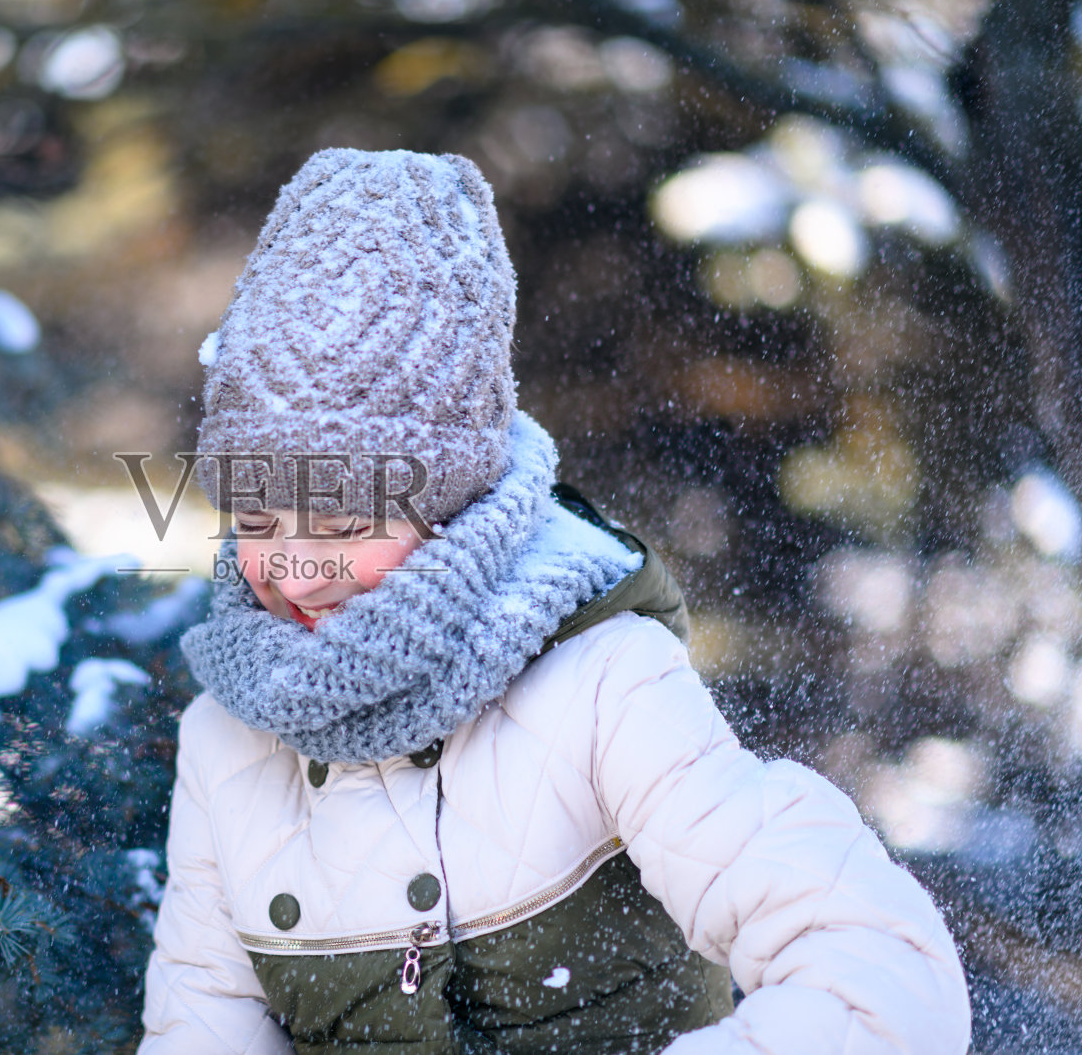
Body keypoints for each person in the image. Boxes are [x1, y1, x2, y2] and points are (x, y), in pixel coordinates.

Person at [139, 148, 970, 1054]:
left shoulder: (604, 686)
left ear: (455, 506)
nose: (292, 573)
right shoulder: (226, 741)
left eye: (344, 527)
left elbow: (880, 973)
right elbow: (201, 1023)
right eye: (258, 518)